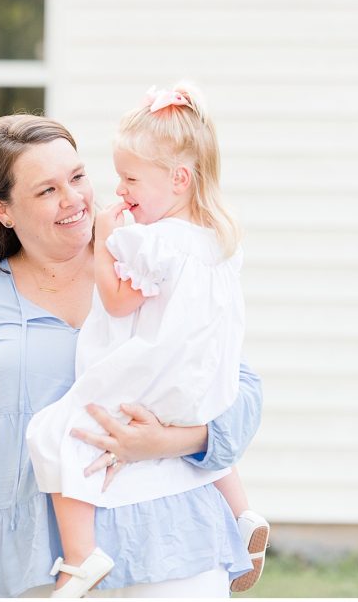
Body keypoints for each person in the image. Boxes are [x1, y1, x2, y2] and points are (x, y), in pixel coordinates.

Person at [0, 114, 263, 597]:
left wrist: (162, 441)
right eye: (46, 191)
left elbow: (233, 389)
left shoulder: (148, 260)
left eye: (78, 177)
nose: (73, 199)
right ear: (2, 210)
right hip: (26, 559)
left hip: (166, 543)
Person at [24, 84, 269, 597]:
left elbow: (117, 302)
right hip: (203, 387)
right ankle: (241, 514)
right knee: (198, 439)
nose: (121, 189)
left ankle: (80, 558)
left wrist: (105, 241)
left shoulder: (150, 242)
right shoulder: (218, 239)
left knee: (54, 433)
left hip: (155, 379)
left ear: (179, 179)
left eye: (131, 178)